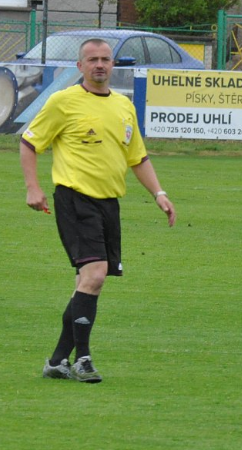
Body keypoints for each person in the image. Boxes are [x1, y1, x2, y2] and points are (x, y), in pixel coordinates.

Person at [20, 38, 176, 383]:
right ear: (80, 66)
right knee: (94, 275)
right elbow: (29, 142)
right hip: (75, 199)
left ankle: (57, 361)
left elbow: (137, 157)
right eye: (92, 59)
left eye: (106, 59)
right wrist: (33, 187)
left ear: (113, 64)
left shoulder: (123, 105)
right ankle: (83, 359)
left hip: (109, 203)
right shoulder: (63, 102)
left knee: (87, 284)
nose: (100, 64)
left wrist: (159, 193)